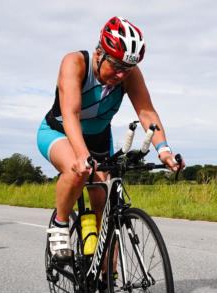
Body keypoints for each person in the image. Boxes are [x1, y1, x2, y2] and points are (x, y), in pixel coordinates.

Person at [37, 16, 183, 258]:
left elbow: (146, 112)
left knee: (107, 207)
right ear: (98, 54)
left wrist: (164, 150)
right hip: (59, 131)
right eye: (115, 66)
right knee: (78, 171)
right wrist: (82, 155)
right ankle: (60, 224)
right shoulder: (75, 62)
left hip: (99, 138)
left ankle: (110, 282)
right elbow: (71, 113)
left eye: (126, 69)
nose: (120, 75)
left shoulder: (130, 74)